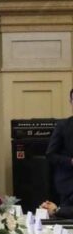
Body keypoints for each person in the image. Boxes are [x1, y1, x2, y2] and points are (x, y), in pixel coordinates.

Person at [44, 89, 73, 217]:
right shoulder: (63, 126)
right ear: (70, 102)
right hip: (68, 185)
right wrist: (70, 161)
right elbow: (51, 155)